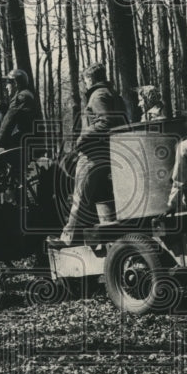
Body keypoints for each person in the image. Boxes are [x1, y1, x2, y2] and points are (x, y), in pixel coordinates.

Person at [49, 63, 128, 247]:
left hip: (93, 155)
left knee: (79, 197)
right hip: (111, 153)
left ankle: (68, 239)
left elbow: (105, 122)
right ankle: (99, 240)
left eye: (85, 80)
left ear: (90, 79)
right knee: (100, 199)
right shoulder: (114, 95)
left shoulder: (98, 95)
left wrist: (82, 138)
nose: (84, 84)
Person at [0, 69, 42, 150]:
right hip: (33, 142)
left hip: (26, 145)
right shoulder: (27, 94)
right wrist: (4, 109)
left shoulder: (20, 97)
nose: (6, 87)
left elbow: (8, 123)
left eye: (8, 83)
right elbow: (21, 117)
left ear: (15, 83)